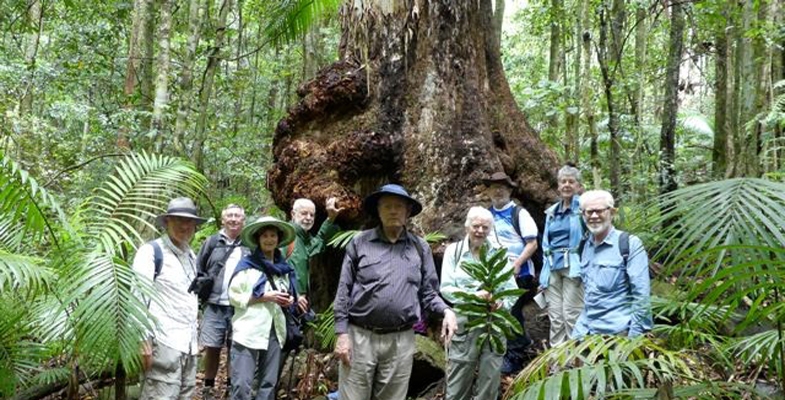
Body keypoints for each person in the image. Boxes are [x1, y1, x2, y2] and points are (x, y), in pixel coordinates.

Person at [333, 183, 458, 400]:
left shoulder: (420, 247)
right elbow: (343, 289)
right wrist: (342, 334)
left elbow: (429, 293)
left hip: (401, 340)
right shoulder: (360, 243)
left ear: (408, 212)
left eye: (399, 206)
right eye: (387, 206)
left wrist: (447, 311)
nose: (393, 211)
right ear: (378, 211)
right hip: (360, 336)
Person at [440, 207, 518, 400]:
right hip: (465, 321)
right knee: (459, 374)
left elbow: (511, 289)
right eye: (476, 226)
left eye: (485, 227)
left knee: (490, 378)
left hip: (494, 322)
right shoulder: (454, 251)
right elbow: (447, 288)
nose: (480, 231)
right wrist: (473, 296)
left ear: (490, 229)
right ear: (467, 226)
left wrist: (501, 302)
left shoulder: (498, 252)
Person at [132, 197, 207, 400]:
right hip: (163, 342)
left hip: (188, 344)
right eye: (178, 220)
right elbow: (137, 297)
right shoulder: (151, 252)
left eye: (189, 221)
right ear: (166, 223)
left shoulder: (190, 255)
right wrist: (142, 340)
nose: (184, 226)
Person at [228, 216, 298, 400]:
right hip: (248, 331)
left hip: (275, 330)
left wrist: (288, 300)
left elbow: (288, 293)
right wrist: (263, 297)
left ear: (278, 239)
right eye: (265, 236)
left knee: (268, 384)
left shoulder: (284, 269)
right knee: (242, 385)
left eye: (273, 235)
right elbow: (234, 297)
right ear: (258, 239)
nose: (269, 239)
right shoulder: (246, 266)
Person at [572, 190, 653, 339]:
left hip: (617, 335)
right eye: (589, 212)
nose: (594, 216)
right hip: (585, 333)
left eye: (599, 211)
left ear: (612, 212)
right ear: (583, 215)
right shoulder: (584, 245)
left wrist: (633, 340)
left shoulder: (629, 244)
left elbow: (641, 297)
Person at [482, 171, 538, 374]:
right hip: (496, 275)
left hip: (519, 273)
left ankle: (517, 353)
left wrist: (518, 264)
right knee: (498, 312)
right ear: (488, 191)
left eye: (502, 187)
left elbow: (532, 243)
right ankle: (505, 349)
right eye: (493, 187)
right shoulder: (487, 215)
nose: (498, 191)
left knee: (512, 311)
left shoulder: (518, 214)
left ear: (509, 190)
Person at [197, 204, 250, 400]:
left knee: (235, 347)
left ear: (243, 221)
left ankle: (230, 386)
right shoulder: (212, 242)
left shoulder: (249, 244)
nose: (234, 219)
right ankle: (208, 387)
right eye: (230, 216)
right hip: (214, 303)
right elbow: (199, 268)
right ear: (223, 219)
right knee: (212, 347)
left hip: (240, 306)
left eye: (238, 216)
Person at [539, 165, 585, 347]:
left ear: (578, 186)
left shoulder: (583, 209)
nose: (566, 185)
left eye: (571, 182)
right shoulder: (552, 212)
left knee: (572, 315)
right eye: (563, 181)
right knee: (556, 317)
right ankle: (557, 365)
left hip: (573, 267)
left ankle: (578, 361)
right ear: (558, 186)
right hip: (552, 268)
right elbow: (545, 244)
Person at [287, 197, 343, 314]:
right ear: (293, 214)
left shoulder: (304, 238)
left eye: (312, 215)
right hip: (287, 301)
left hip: (299, 303)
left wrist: (330, 218)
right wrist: (293, 294)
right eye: (304, 213)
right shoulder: (286, 237)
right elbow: (273, 268)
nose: (308, 218)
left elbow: (317, 243)